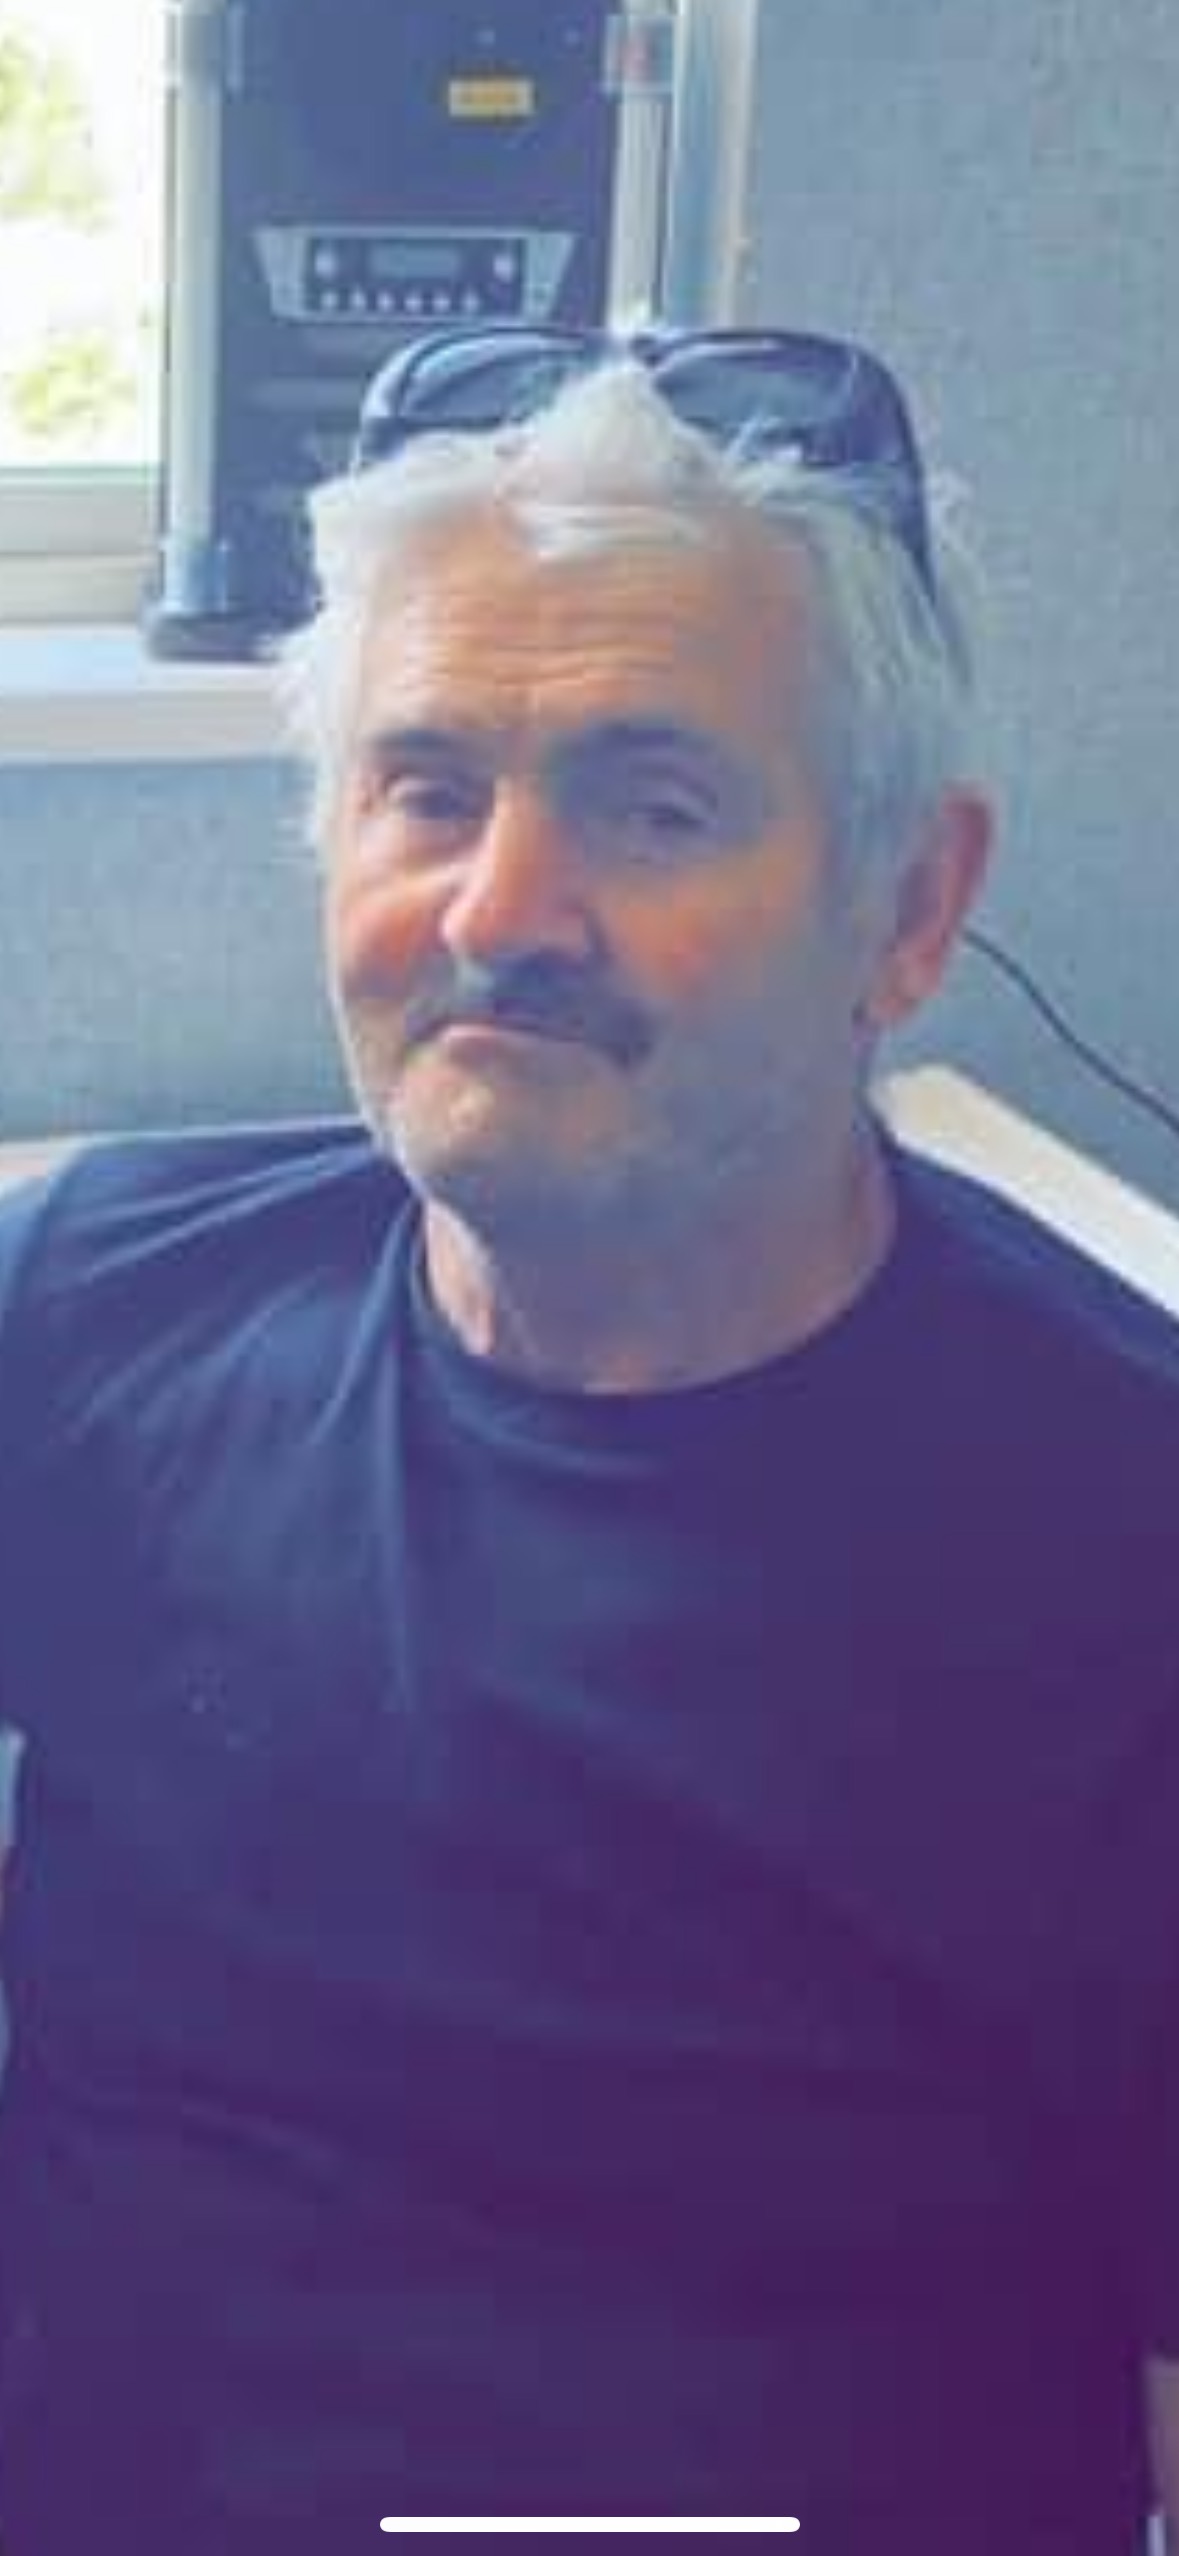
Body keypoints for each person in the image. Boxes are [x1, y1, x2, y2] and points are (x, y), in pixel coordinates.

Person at [0, 324, 1176, 2556]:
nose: (497, 913)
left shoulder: (1132, 1550)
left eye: (652, 806)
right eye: (427, 787)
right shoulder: (87, 1322)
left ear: (908, 907)